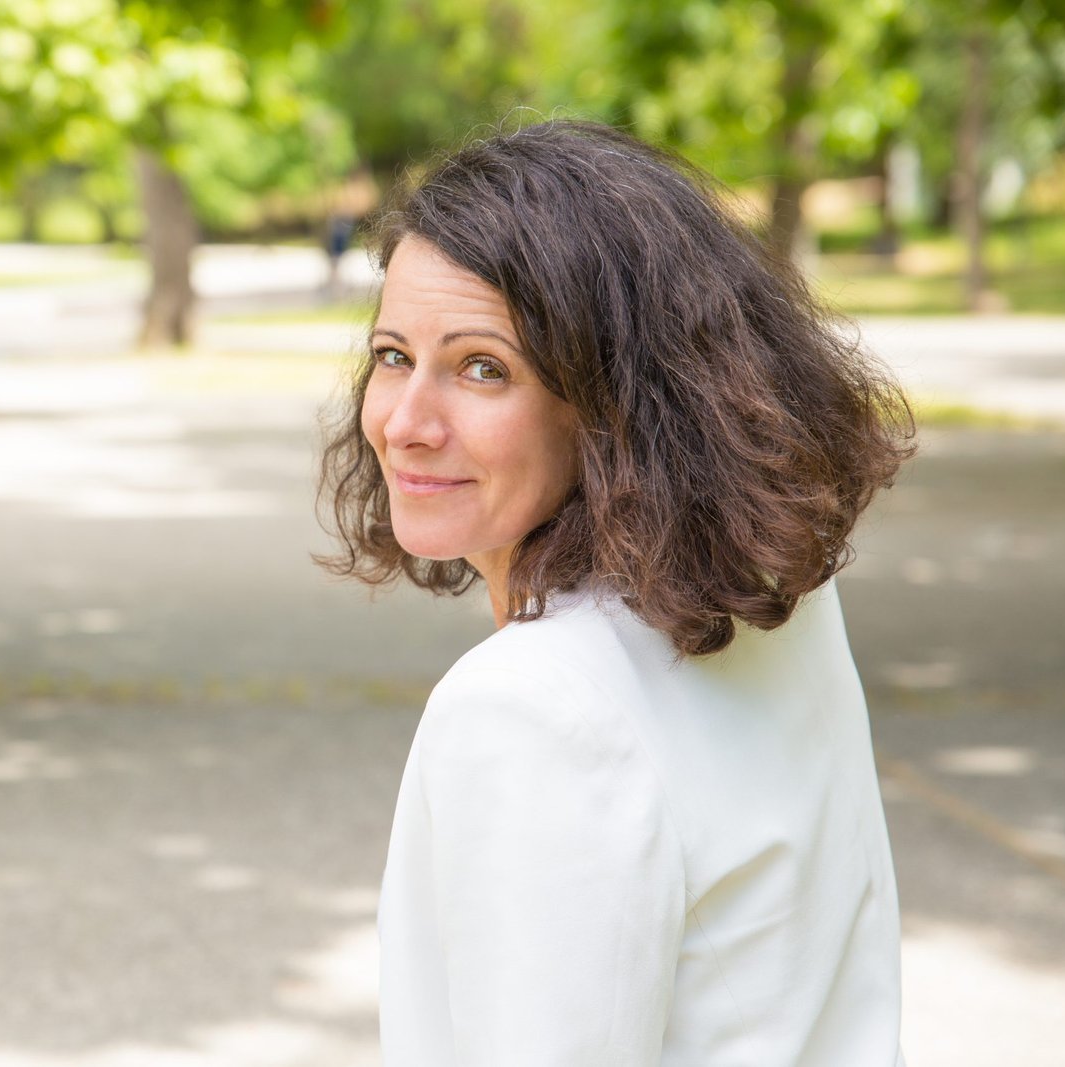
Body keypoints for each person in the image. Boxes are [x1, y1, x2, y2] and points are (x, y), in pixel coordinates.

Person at [316, 119, 917, 1065]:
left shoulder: (533, 706)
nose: (404, 422)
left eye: (483, 367)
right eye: (394, 355)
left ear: (617, 403)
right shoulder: (771, 598)